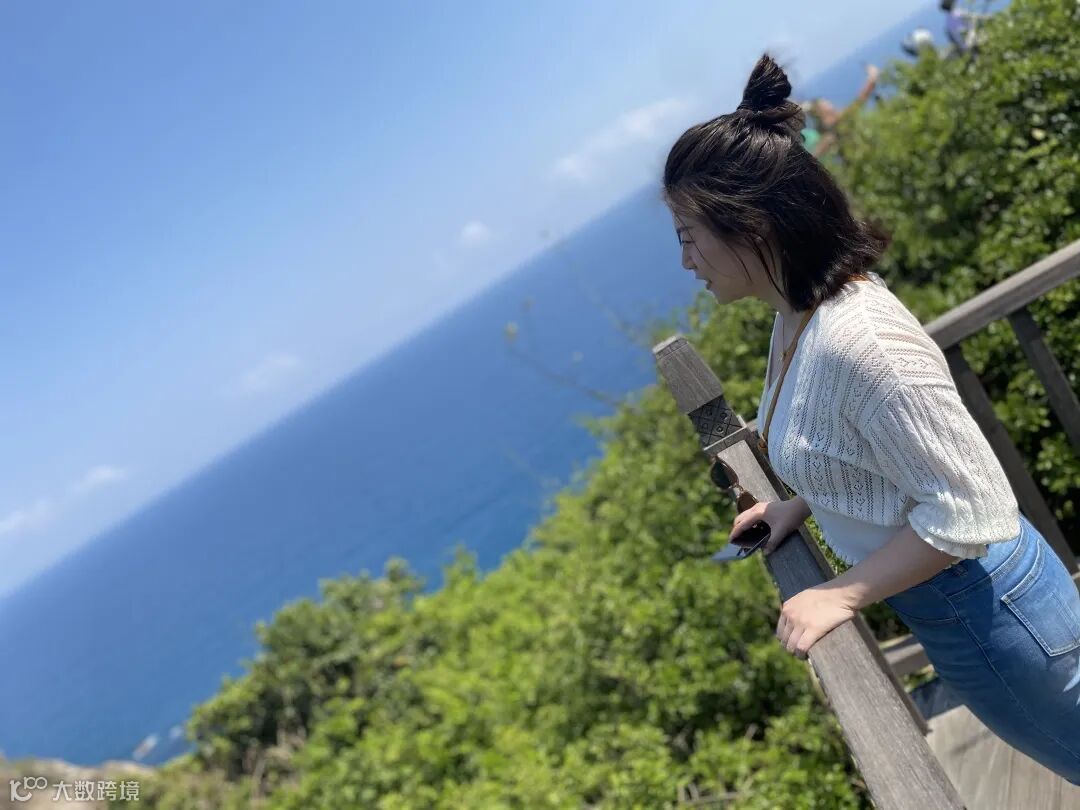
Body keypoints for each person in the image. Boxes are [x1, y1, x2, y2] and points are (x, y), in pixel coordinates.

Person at [662, 52, 1080, 785]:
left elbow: (971, 508)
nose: (687, 260)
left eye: (688, 234)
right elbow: (862, 447)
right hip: (966, 613)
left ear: (752, 225)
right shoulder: (798, 315)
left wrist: (839, 593)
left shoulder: (861, 342)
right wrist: (801, 504)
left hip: (996, 617)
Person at [800, 63, 879, 158]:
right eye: (826, 104)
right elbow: (862, 97)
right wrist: (873, 76)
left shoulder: (824, 135)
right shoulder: (838, 123)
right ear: (821, 113)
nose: (830, 105)